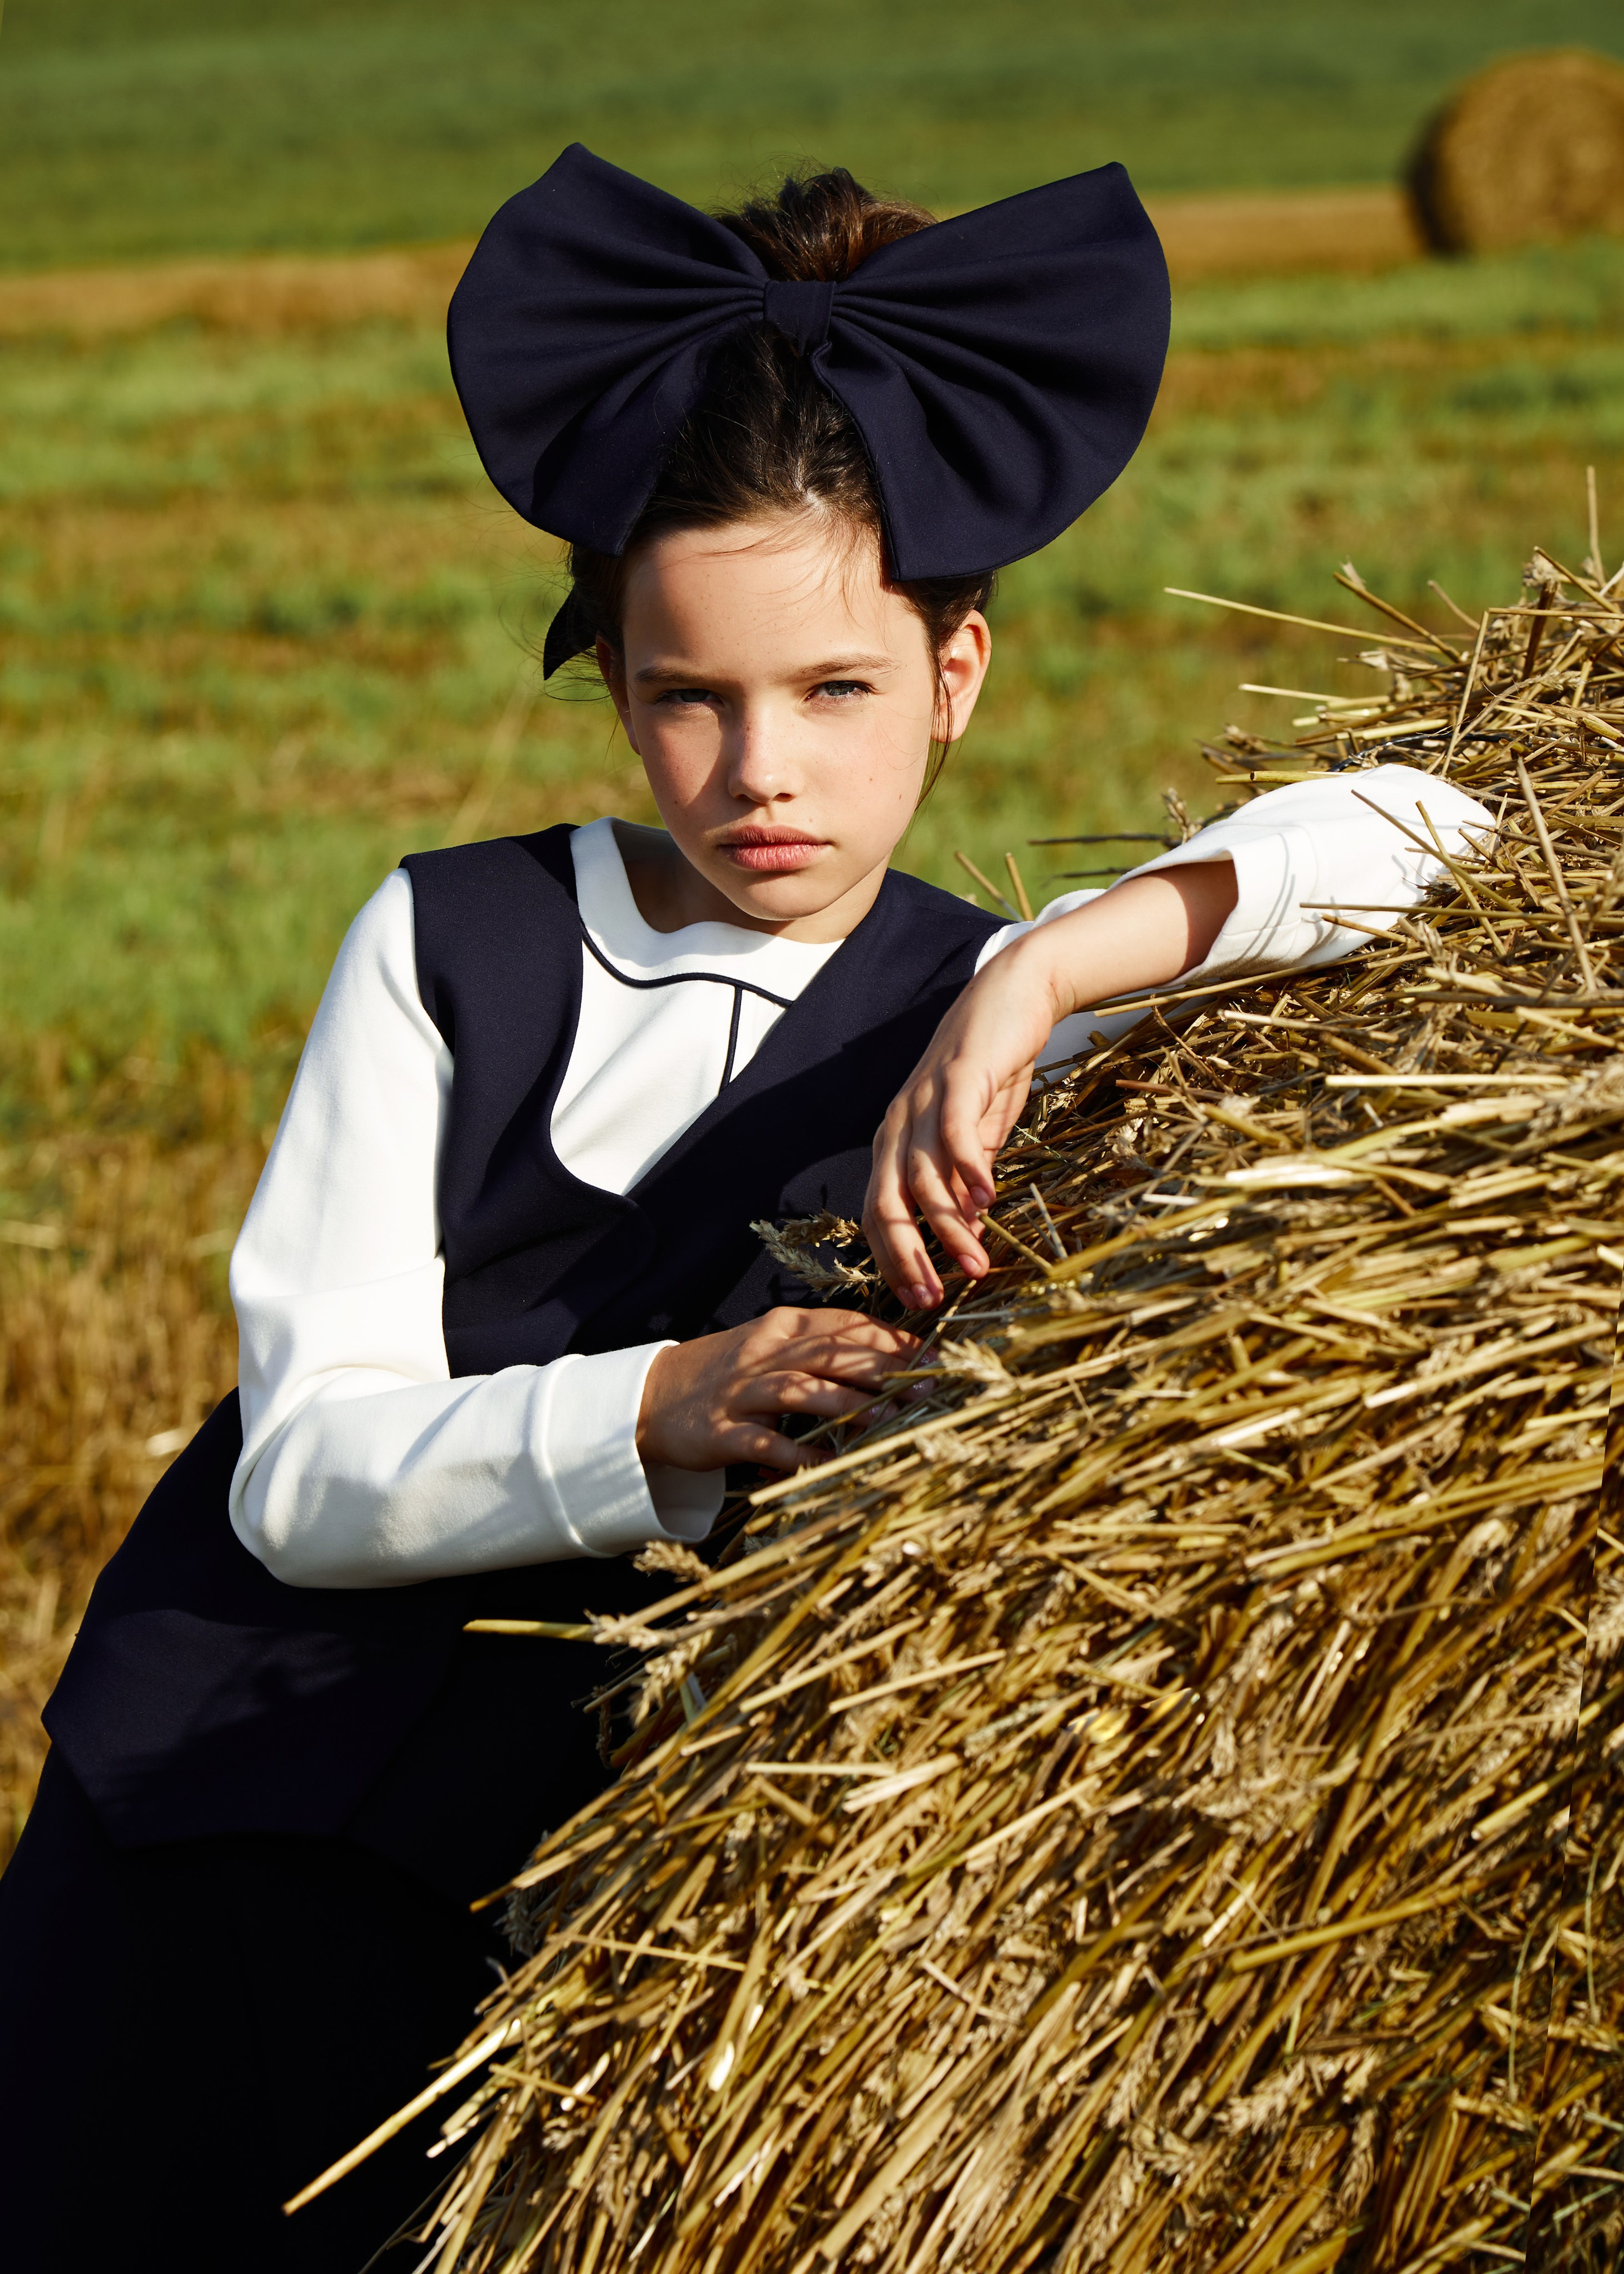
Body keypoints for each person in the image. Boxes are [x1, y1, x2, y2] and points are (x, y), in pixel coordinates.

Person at [0, 146, 1490, 2270]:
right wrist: (668, 1401)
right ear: (612, 678)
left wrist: (1052, 972)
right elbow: (303, 1472)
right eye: (686, 696)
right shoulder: (445, 944)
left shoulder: (983, 997)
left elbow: (1453, 830)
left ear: (956, 673)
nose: (758, 770)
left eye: (837, 694)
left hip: (572, 1932)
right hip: (209, 1842)